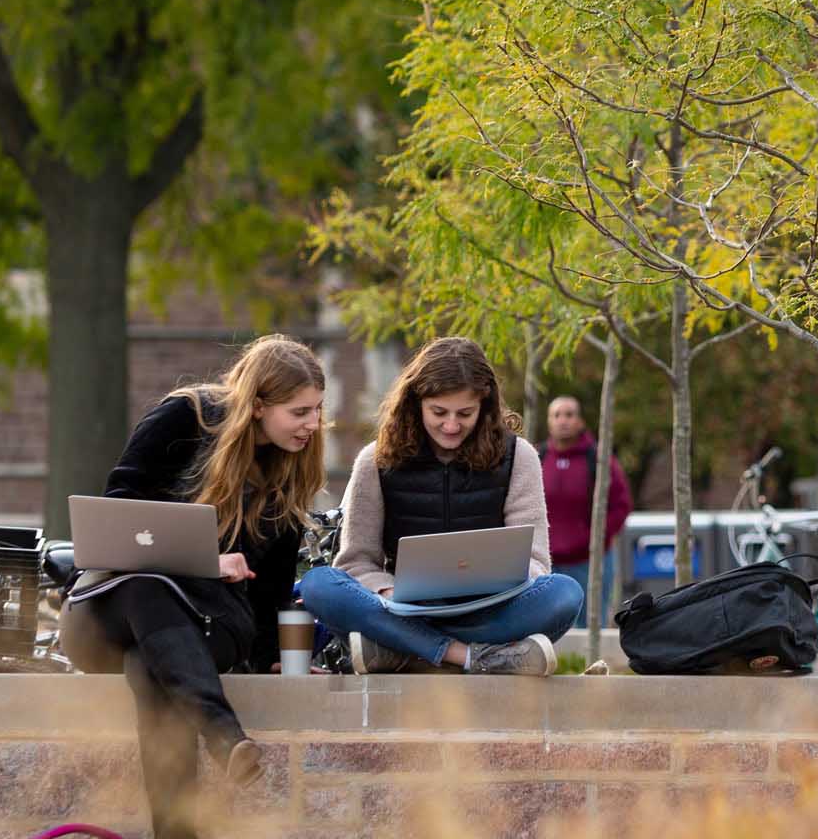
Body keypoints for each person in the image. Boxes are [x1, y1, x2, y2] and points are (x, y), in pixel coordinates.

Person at [57, 335, 326, 839]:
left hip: (207, 627)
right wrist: (202, 561)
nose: (313, 424)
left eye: (316, 409)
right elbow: (116, 516)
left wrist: (273, 652)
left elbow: (272, 585)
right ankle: (224, 735)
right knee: (146, 591)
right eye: (300, 411)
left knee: (150, 663)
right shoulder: (185, 419)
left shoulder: (290, 470)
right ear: (259, 405)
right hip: (107, 612)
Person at [298, 337, 582, 674]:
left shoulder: (519, 457)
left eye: (465, 413)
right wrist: (388, 589)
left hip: (492, 610)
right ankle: (471, 657)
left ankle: (404, 650)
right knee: (320, 586)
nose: (451, 425)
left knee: (565, 594)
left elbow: (536, 560)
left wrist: (503, 585)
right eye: (438, 412)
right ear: (416, 403)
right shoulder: (374, 460)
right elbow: (356, 562)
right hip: (403, 609)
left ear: (485, 404)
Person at [540, 395, 631, 625]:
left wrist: (594, 540)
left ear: (580, 421)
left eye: (569, 415)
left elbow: (621, 505)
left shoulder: (599, 459)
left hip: (589, 561)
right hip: (546, 562)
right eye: (556, 415)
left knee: (589, 626)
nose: (563, 420)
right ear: (549, 421)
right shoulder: (537, 458)